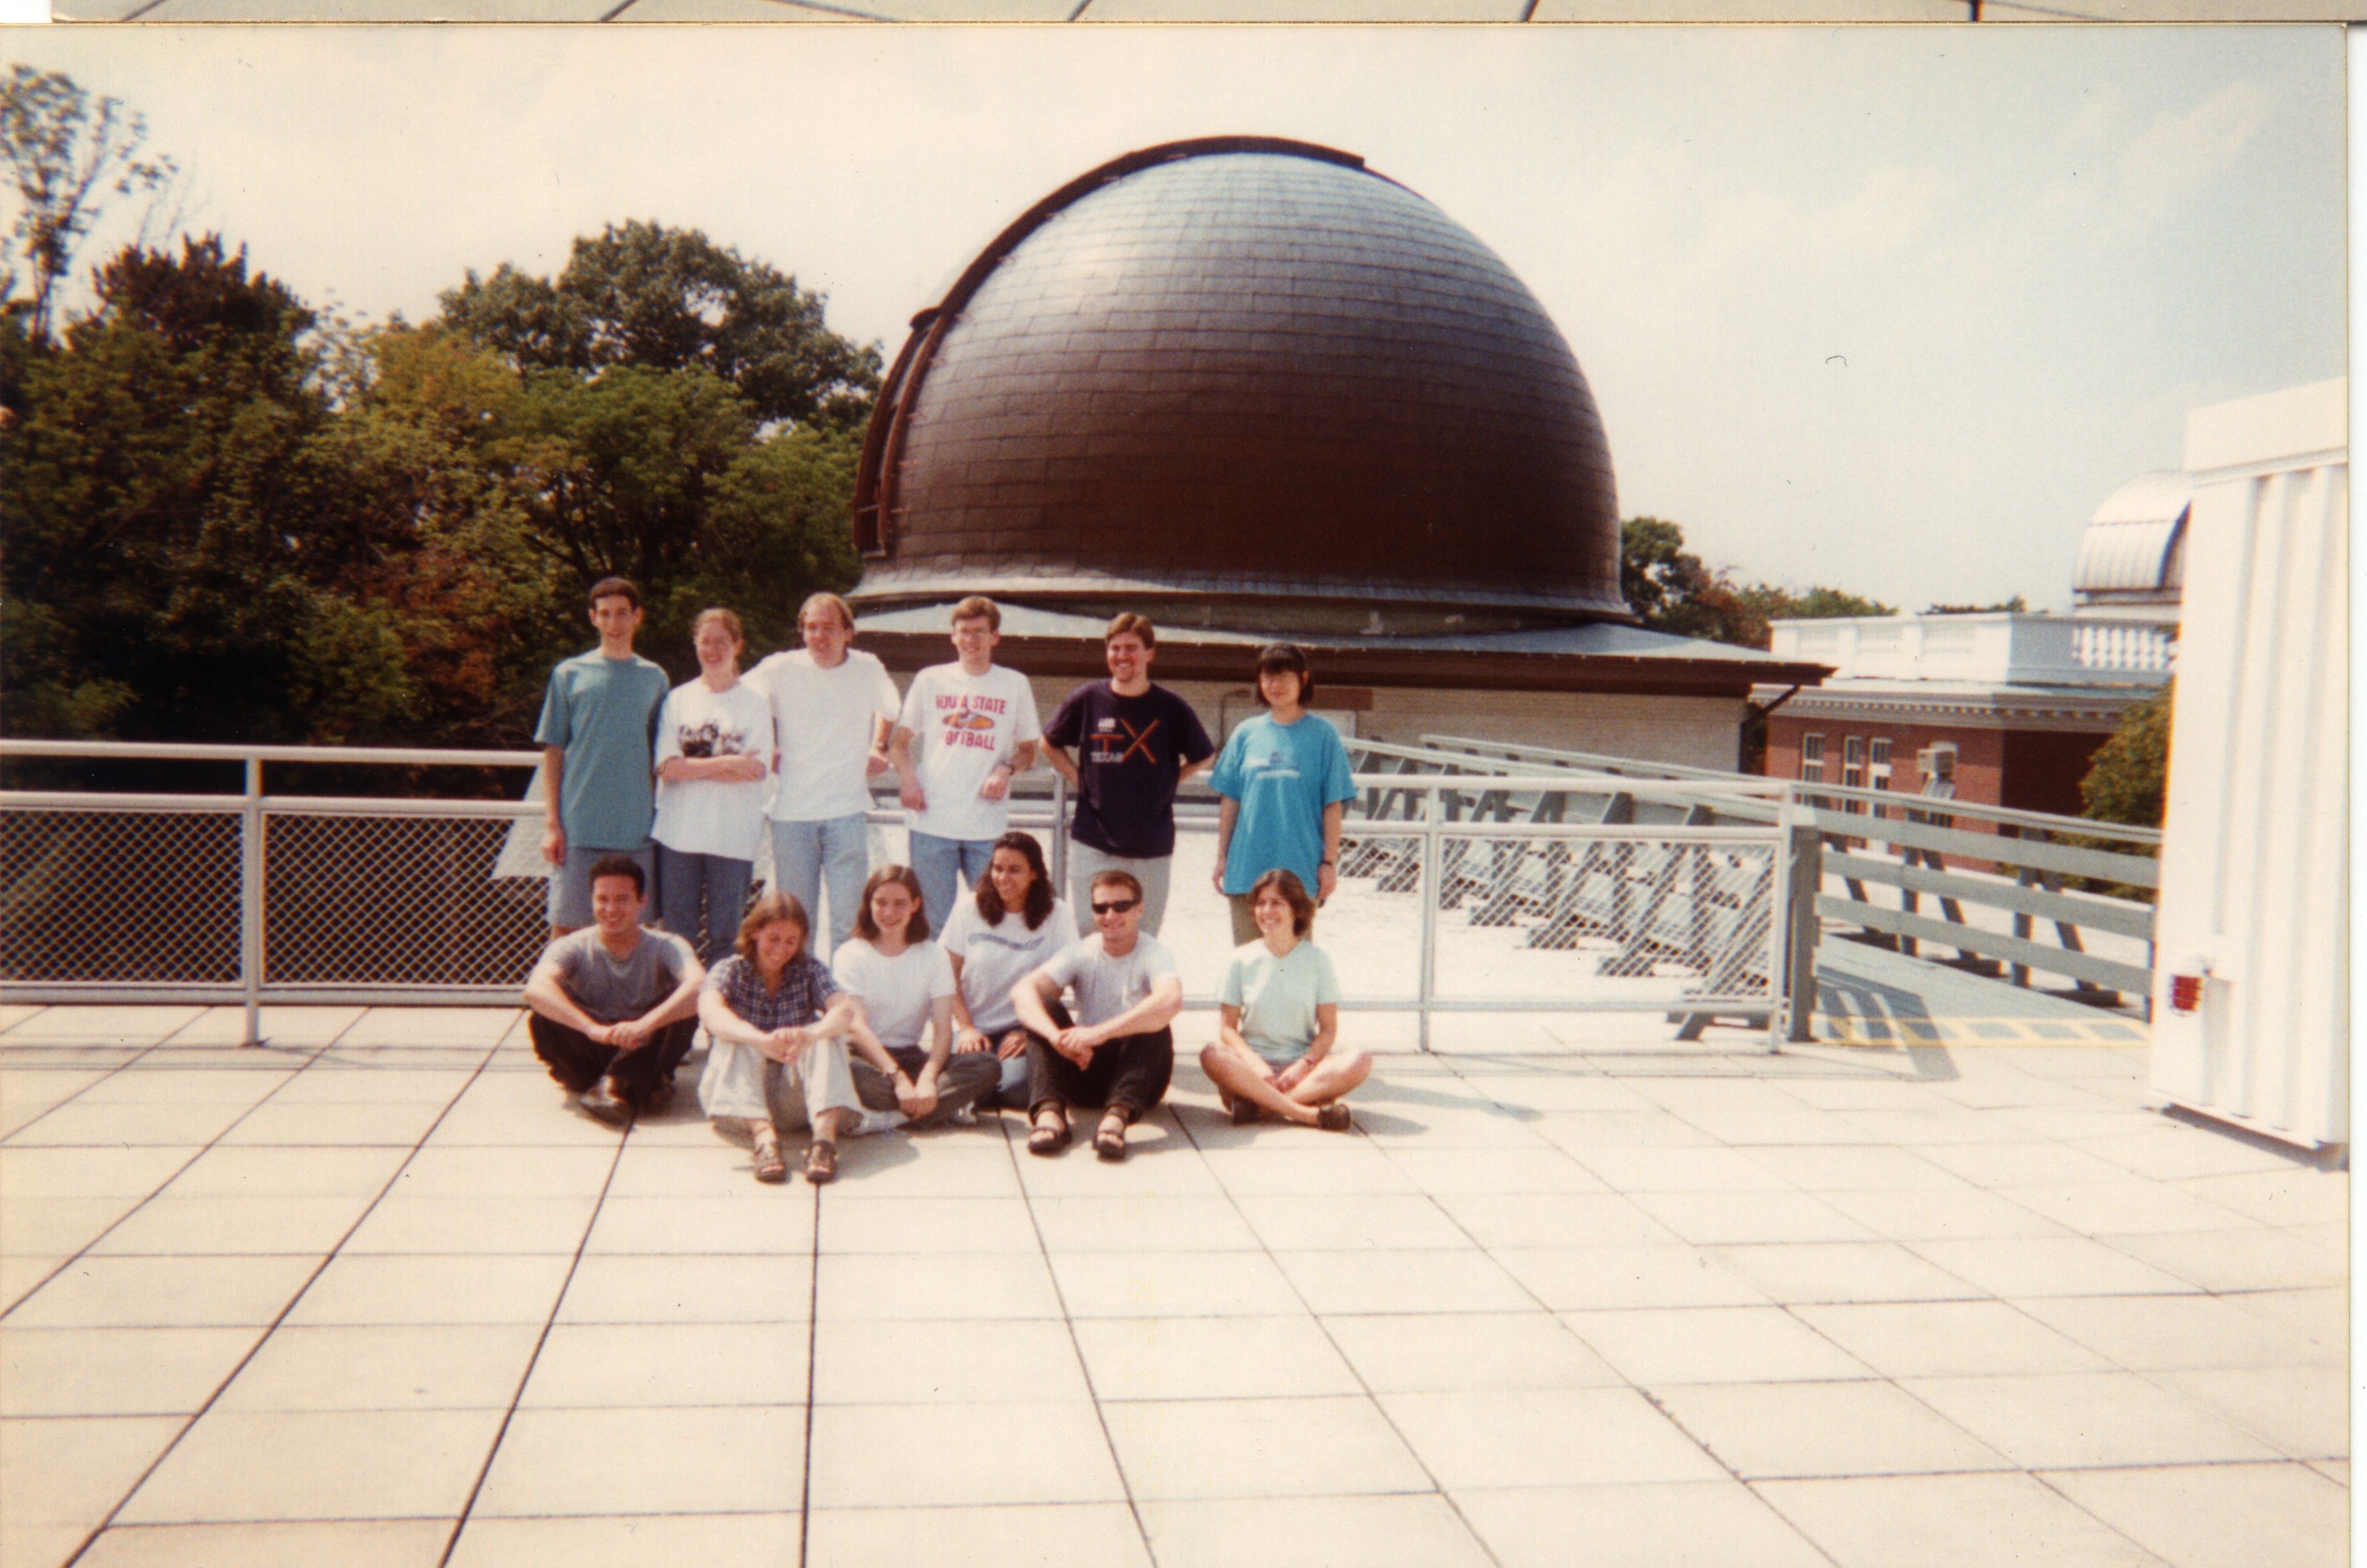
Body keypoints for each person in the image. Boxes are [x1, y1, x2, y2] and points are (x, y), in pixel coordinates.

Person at [1041, 613, 1215, 936]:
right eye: (1115, 648)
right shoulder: (1088, 699)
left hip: (1151, 844)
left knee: (1143, 937)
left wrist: (1170, 782)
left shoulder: (1170, 706)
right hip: (1093, 840)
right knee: (1091, 934)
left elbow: (1204, 755)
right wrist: (1078, 779)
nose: (1122, 656)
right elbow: (1049, 743)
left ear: (1150, 653)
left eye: (1132, 648)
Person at [750, 592, 902, 956]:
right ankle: (799, 990)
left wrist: (878, 745)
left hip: (847, 813)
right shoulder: (779, 668)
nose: (819, 636)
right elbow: (737, 699)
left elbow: (892, 709)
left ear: (848, 633)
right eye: (811, 627)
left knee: (848, 922)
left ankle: (843, 991)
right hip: (792, 814)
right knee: (795, 921)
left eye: (829, 628)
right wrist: (766, 741)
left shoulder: (868, 668)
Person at [888, 596, 1041, 934]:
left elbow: (1029, 751)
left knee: (992, 919)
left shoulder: (1014, 684)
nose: (971, 640)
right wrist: (908, 779)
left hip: (985, 826)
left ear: (994, 637)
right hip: (932, 822)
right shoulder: (930, 679)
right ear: (953, 637)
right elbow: (898, 745)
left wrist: (1005, 770)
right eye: (964, 632)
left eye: (979, 632)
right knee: (934, 925)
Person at [697, 890, 870, 1184]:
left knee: (827, 1035)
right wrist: (759, 1039)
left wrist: (809, 1035)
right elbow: (710, 1012)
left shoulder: (810, 969)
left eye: (791, 941)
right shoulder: (729, 969)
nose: (781, 949)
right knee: (736, 1036)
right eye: (773, 938)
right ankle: (765, 1142)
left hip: (794, 1098)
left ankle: (823, 1143)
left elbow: (844, 1011)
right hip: (737, 1099)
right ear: (755, 932)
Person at [1010, 868, 1182, 1163]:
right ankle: (1050, 1115)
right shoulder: (1081, 950)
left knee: (1156, 1022)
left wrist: (1097, 1034)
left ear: (1139, 910)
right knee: (1046, 1008)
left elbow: (1171, 999)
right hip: (1085, 1065)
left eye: (1121, 906)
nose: (1110, 915)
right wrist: (1057, 1038)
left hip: (1139, 1076)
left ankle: (1116, 1119)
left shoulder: (1154, 953)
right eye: (1101, 908)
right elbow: (1022, 991)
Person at [535, 577, 673, 938]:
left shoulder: (655, 678)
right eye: (606, 614)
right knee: (566, 928)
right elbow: (553, 752)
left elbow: (662, 755)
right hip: (580, 825)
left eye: (622, 613)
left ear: (637, 616)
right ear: (593, 618)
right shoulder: (569, 674)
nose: (615, 623)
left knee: (632, 930)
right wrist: (553, 824)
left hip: (636, 828)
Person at [522, 854, 703, 1126]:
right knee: (545, 1013)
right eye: (602, 899)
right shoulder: (571, 945)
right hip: (594, 1043)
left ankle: (614, 1086)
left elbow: (699, 984)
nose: (611, 909)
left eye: (621, 900)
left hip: (643, 1042)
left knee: (685, 1007)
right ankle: (640, 1084)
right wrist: (591, 1028)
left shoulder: (667, 945)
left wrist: (644, 1025)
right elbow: (536, 989)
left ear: (642, 901)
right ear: (592, 900)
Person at [1208, 643, 1356, 947]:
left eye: (1285, 677)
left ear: (1303, 679)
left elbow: (1333, 804)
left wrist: (1329, 862)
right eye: (1269, 677)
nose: (1276, 685)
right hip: (1247, 867)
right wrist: (1222, 857)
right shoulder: (1245, 733)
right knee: (1249, 960)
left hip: (1300, 868)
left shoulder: (1323, 735)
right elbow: (1231, 800)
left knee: (1296, 961)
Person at [1201, 869, 1371, 1130]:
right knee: (1211, 1054)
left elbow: (1328, 1029)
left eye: (1277, 903)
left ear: (1296, 909)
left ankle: (1261, 1108)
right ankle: (1308, 1114)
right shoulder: (1240, 959)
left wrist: (1303, 1066)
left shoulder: (1318, 961)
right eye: (1261, 903)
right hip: (1251, 1072)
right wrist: (1255, 1064)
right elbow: (1227, 1029)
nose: (1266, 911)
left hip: (1302, 1072)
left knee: (1361, 1059)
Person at [833, 865, 999, 1129]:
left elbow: (943, 1030)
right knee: (851, 1075)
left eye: (900, 903)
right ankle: (938, 1110)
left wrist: (928, 1080)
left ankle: (891, 1118)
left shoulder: (934, 956)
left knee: (987, 1065)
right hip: (866, 1059)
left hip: (911, 1058)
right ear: (869, 904)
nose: (889, 913)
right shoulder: (850, 954)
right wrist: (898, 1080)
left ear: (915, 905)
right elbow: (857, 1029)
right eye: (881, 903)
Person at [651, 607, 775, 963]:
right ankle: (681, 999)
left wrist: (693, 767)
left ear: (738, 645)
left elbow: (757, 770)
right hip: (679, 833)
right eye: (705, 641)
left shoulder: (755, 704)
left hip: (732, 834)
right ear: (695, 644)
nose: (713, 650)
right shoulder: (678, 699)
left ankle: (719, 998)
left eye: (722, 642)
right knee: (678, 933)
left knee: (727, 935)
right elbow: (667, 767)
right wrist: (729, 764)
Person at [940, 831, 1075, 1112]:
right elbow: (947, 973)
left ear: (1034, 874)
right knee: (969, 1075)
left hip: (1023, 1028)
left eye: (1014, 870)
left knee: (1017, 1090)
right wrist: (966, 1028)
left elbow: (1059, 981)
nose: (1003, 877)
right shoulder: (969, 907)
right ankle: (979, 1087)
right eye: (998, 868)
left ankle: (981, 1090)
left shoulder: (1057, 913)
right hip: (974, 1027)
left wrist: (1028, 1031)